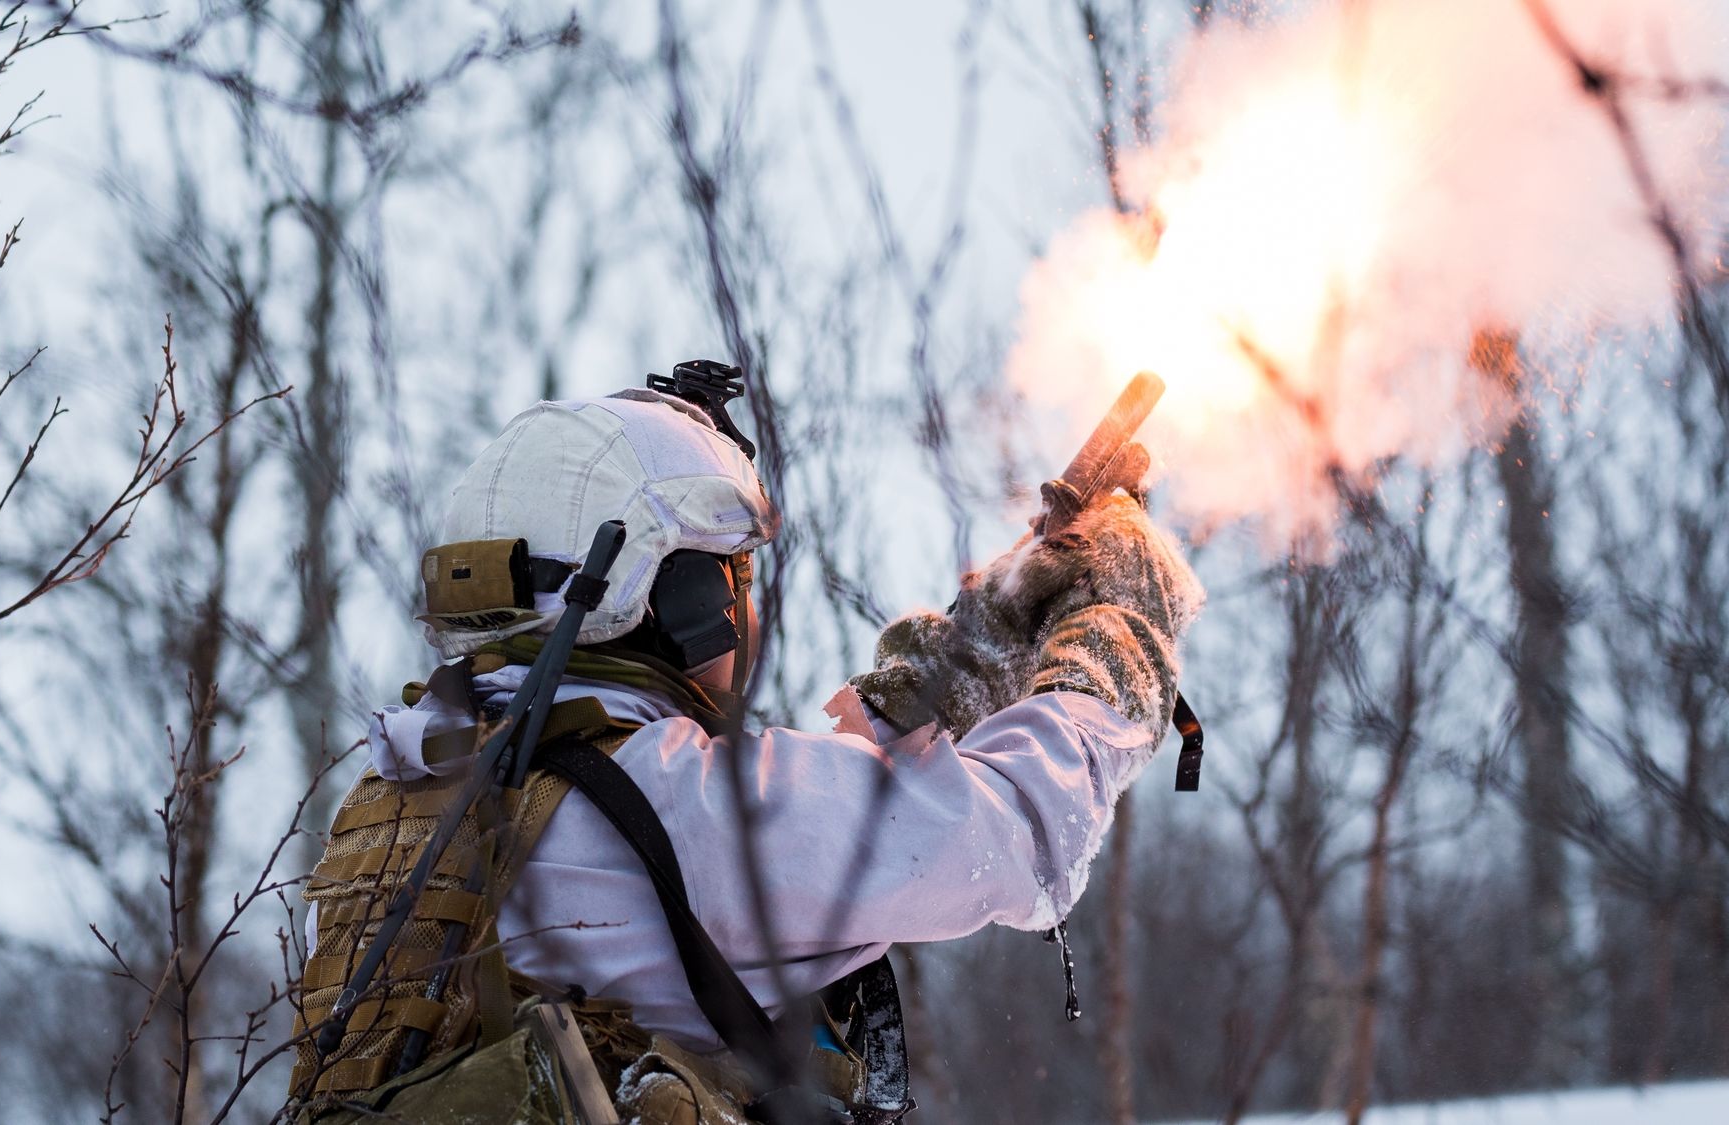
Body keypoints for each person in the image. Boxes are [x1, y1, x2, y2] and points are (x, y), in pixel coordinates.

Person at [289, 362, 1204, 1124]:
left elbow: (787, 831)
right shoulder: (675, 803)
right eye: (733, 575)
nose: (741, 606)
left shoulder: (408, 787)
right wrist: (1118, 635)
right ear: (683, 599)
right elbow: (1027, 837)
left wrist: (974, 645)